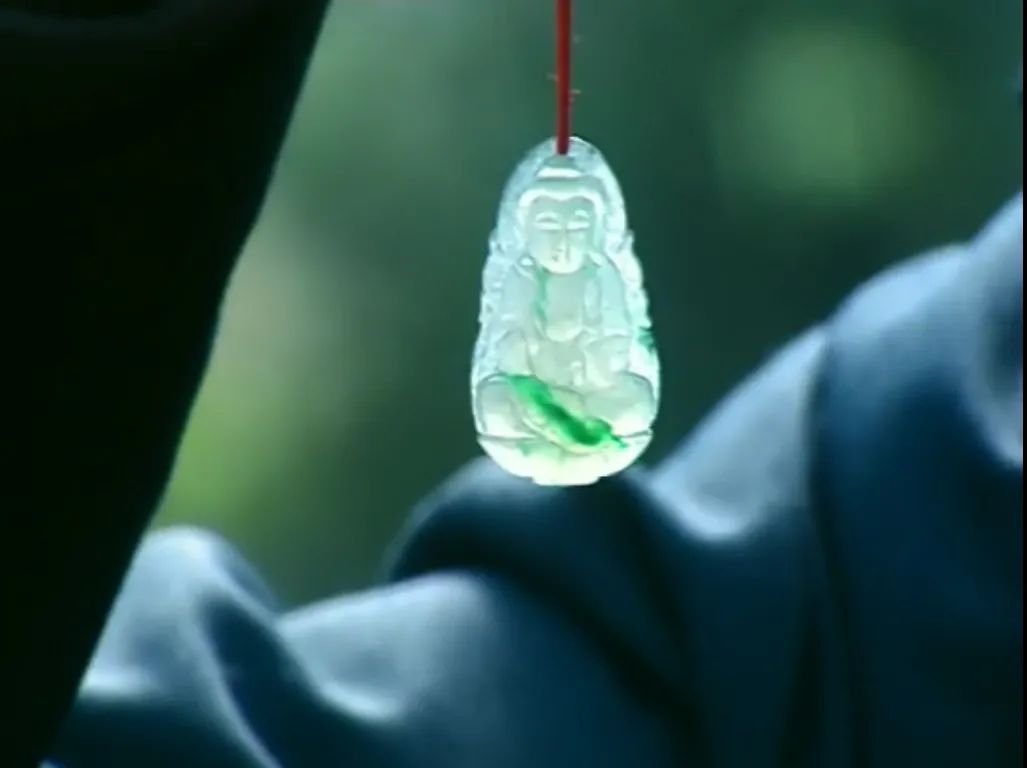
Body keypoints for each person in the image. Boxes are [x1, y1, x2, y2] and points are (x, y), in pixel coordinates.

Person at [2, 3, 1019, 767]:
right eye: (554, 225)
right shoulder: (906, 497)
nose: (566, 236)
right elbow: (637, 665)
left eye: (578, 226)